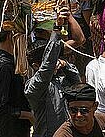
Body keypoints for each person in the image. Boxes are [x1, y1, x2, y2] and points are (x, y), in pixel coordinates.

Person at [25, 9, 82, 137]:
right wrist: (56, 30)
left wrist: (66, 65)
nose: (54, 64)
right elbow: (47, 66)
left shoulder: (60, 78)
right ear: (35, 66)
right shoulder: (33, 86)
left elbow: (77, 83)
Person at [0, 17, 33, 137]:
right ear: (11, 35)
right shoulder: (4, 66)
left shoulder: (8, 58)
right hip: (11, 130)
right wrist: (27, 115)